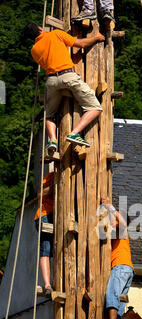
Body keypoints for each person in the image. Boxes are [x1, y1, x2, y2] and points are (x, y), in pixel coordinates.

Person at [24, 23, 105, 151]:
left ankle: (53, 141)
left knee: (49, 114)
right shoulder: (56, 33)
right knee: (95, 108)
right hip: (67, 75)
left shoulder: (34, 50)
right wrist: (96, 37)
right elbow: (81, 44)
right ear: (40, 28)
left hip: (51, 81)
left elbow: (50, 62)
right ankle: (74, 133)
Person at [98, 198, 134, 319]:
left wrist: (109, 206)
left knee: (111, 296)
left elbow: (121, 223)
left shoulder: (122, 229)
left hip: (121, 267)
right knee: (119, 304)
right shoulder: (118, 234)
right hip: (127, 269)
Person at [35, 171, 54, 297]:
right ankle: (47, 284)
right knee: (46, 248)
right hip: (45, 215)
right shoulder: (52, 175)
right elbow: (40, 193)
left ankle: (56, 281)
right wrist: (54, 186)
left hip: (56, 214)